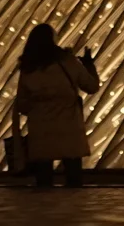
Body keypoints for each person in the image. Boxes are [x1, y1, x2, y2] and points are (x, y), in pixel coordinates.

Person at [12, 24, 101, 187]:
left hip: (41, 128)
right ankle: (75, 207)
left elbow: (23, 104)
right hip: (69, 125)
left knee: (43, 178)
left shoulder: (28, 67)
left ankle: (44, 208)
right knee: (73, 174)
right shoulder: (68, 62)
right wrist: (89, 65)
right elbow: (91, 87)